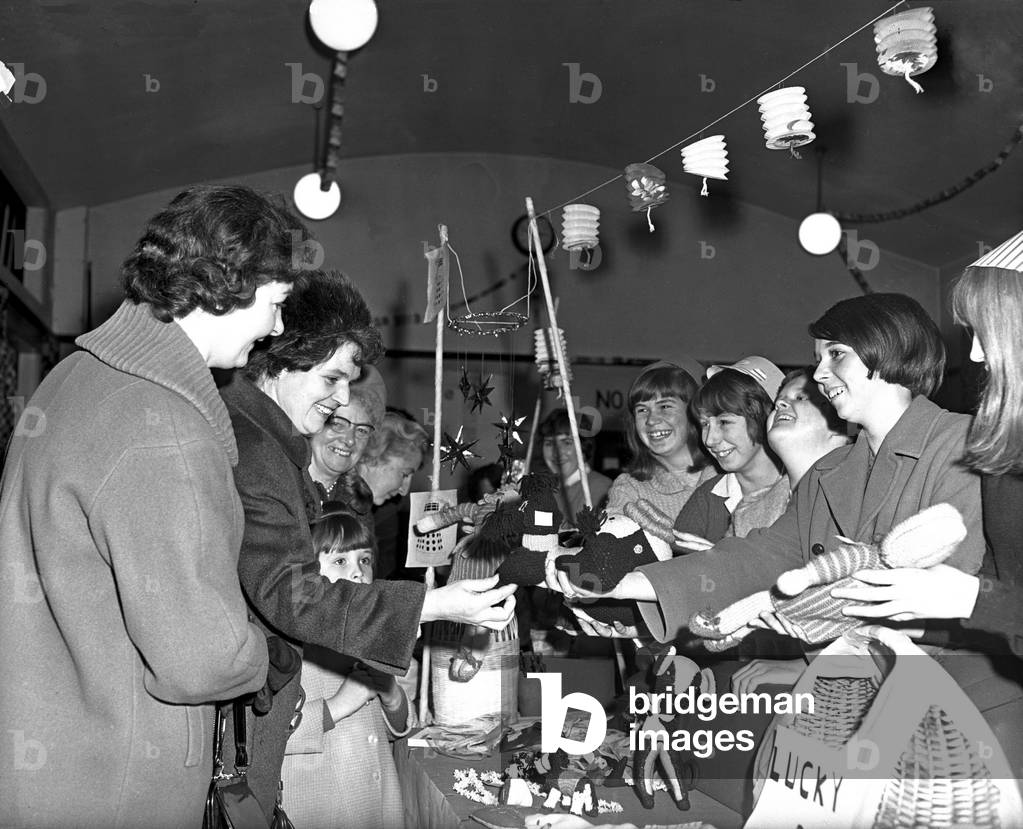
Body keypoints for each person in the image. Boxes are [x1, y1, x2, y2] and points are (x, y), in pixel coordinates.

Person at [0, 184, 306, 827]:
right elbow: (200, 659)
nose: (278, 327)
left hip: (51, 749)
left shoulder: (76, 376)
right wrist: (262, 654)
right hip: (117, 780)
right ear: (228, 285)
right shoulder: (163, 425)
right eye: (276, 303)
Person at [219, 269, 517, 816]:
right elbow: (294, 596)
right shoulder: (258, 452)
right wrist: (436, 604)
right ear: (287, 356)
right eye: (331, 380)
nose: (339, 404)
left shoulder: (269, 445)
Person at [551, 293, 985, 659]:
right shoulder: (827, 474)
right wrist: (624, 586)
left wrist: (782, 613)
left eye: (836, 355)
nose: (818, 373)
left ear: (891, 350)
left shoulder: (960, 447)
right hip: (847, 691)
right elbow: (756, 559)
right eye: (818, 359)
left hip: (943, 702)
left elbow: (950, 594)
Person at [829, 238, 1023, 774]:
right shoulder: (1004, 448)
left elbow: (989, 597)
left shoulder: (960, 442)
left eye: (986, 333)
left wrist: (966, 597)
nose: (978, 356)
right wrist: (913, 613)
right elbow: (1004, 590)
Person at [281, 504, 412, 829]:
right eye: (340, 560)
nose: (358, 572)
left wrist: (392, 696)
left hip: (377, 807)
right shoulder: (289, 646)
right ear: (307, 575)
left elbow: (400, 728)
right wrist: (339, 705)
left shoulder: (373, 635)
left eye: (364, 560)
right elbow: (269, 736)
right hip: (320, 812)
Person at [673, 357, 786, 551]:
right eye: (705, 424)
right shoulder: (708, 498)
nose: (709, 440)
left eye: (724, 422)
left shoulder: (804, 491)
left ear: (766, 417)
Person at [604, 358, 715, 543]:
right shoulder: (630, 489)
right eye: (642, 410)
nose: (651, 420)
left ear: (695, 412)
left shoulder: (729, 475)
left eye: (665, 406)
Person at [307, 365, 387, 504]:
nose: (350, 440)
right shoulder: (282, 487)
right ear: (315, 425)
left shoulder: (359, 503)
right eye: (338, 424)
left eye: (362, 430)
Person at [540, 407, 612, 527]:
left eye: (566, 442)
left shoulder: (601, 488)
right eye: (549, 443)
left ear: (584, 447)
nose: (557, 452)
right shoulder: (543, 491)